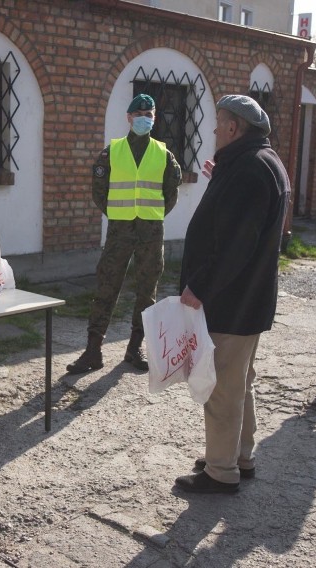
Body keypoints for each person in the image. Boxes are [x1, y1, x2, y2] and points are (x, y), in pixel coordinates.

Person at [174, 95, 290, 494]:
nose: (212, 130)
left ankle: (221, 472)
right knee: (240, 381)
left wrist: (199, 287)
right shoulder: (256, 161)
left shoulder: (249, 168)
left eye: (217, 122)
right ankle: (241, 455)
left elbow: (236, 243)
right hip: (247, 298)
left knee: (222, 387)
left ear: (233, 128)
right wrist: (219, 178)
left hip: (231, 299)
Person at [66, 94, 182, 374]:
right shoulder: (112, 151)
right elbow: (99, 191)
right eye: (139, 113)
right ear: (129, 117)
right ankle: (93, 351)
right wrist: (118, 214)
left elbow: (171, 194)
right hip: (120, 230)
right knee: (107, 286)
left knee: (147, 292)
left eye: (150, 114)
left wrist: (150, 216)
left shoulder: (163, 154)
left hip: (151, 232)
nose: (144, 118)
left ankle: (134, 348)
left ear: (154, 119)